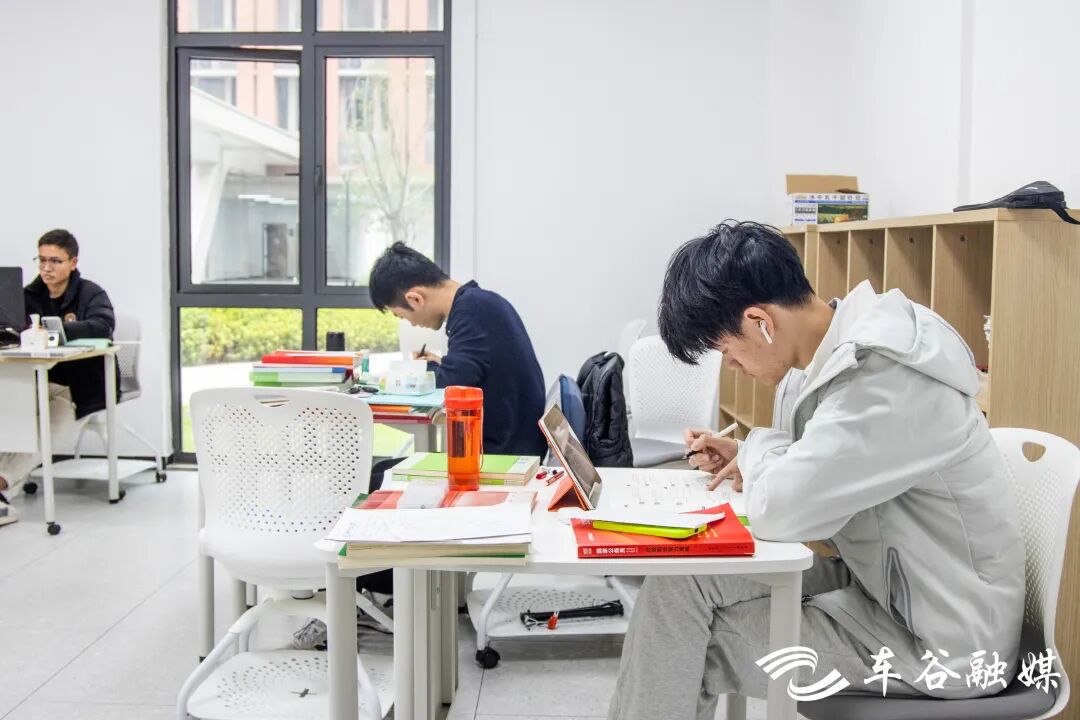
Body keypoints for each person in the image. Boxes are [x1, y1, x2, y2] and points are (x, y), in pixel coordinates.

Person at [608, 220, 1024, 719]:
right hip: (887, 586)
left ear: (760, 322)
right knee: (679, 585)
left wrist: (758, 447)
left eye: (727, 352)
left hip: (940, 643)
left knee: (681, 638)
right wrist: (750, 453)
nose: (734, 367)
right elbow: (819, 463)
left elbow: (781, 512)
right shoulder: (828, 359)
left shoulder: (883, 376)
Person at [368, 242, 547, 457]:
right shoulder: (480, 302)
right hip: (514, 445)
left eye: (401, 316)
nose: (412, 323)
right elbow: (473, 370)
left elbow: (450, 383)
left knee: (381, 471)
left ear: (415, 299)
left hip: (503, 455)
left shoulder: (471, 311)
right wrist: (437, 364)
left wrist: (421, 369)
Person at [0, 230, 117, 523]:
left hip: (77, 387)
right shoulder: (27, 296)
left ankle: (2, 484)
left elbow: (103, 326)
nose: (46, 268)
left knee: (47, 432)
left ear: (73, 262)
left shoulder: (91, 293)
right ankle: (3, 493)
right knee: (12, 422)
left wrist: (54, 331)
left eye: (55, 261)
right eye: (42, 260)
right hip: (33, 380)